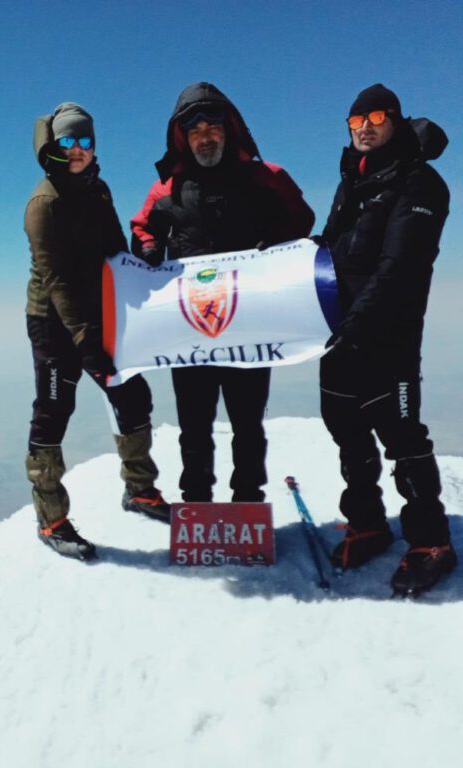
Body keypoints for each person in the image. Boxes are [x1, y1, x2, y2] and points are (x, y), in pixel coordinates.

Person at [131, 82, 314, 504]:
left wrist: (278, 238)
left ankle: (247, 503)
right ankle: (196, 504)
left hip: (249, 326)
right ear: (183, 138)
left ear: (229, 130)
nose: (205, 137)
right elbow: (143, 227)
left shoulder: (265, 178)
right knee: (193, 425)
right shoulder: (167, 189)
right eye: (195, 132)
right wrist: (147, 247)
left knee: (248, 423)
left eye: (213, 129)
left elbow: (301, 221)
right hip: (190, 328)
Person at [319, 84, 455, 595]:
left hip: (387, 336)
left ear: (396, 121)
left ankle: (431, 541)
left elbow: (401, 266)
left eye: (376, 117)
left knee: (401, 437)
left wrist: (358, 325)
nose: (364, 127)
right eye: (356, 121)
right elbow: (336, 249)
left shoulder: (419, 184)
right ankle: (369, 524)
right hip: (339, 331)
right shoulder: (352, 180)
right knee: (346, 430)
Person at [25, 102, 169, 561]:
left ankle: (140, 488)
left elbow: (113, 250)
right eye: (68, 141)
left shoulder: (99, 191)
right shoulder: (44, 203)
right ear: (53, 145)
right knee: (53, 409)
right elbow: (57, 280)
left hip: (98, 312)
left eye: (85, 141)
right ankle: (51, 519)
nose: (78, 150)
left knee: (131, 393)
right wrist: (87, 342)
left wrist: (141, 257)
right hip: (53, 321)